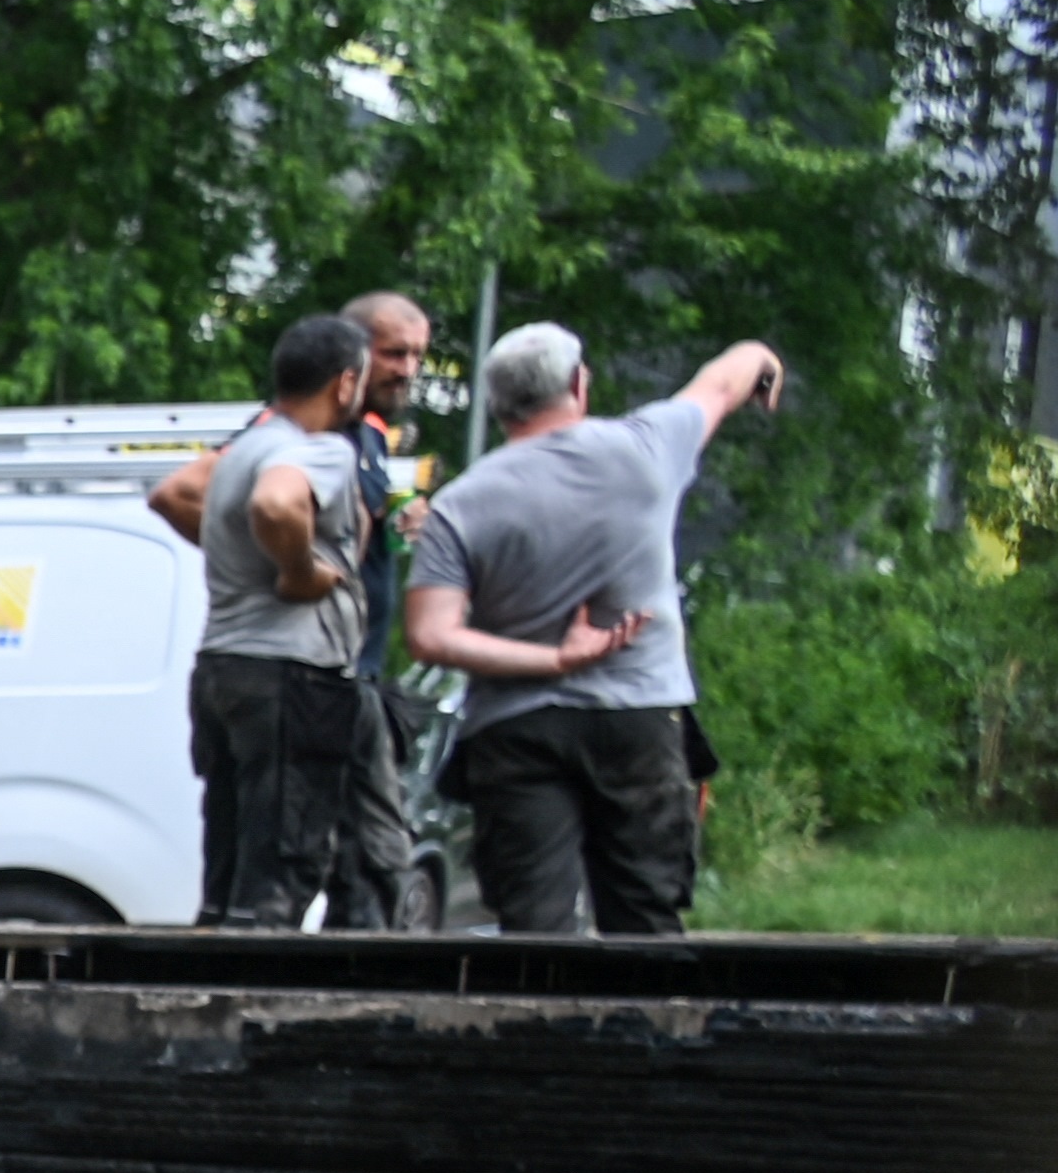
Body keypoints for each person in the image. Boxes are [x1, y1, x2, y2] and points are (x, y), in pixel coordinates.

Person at [408, 318, 780, 935]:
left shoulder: (460, 504)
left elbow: (430, 636)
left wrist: (551, 663)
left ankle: (543, 1030)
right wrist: (760, 355)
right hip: (638, 719)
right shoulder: (647, 447)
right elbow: (721, 383)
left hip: (513, 729)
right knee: (644, 914)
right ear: (579, 385)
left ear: (497, 405)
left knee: (533, 923)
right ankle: (648, 1027)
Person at [155, 289, 436, 924]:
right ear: (350, 371)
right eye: (393, 354)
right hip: (296, 669)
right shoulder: (304, 441)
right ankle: (295, 1008)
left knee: (258, 865)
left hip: (283, 667)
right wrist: (294, 569)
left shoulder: (350, 439)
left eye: (418, 355)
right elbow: (251, 502)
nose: (408, 370)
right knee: (293, 862)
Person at [173, 311, 376, 924]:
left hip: (224, 668)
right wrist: (299, 572)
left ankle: (208, 993)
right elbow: (277, 501)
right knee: (282, 870)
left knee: (231, 863)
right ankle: (255, 1008)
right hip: (290, 675)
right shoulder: (318, 450)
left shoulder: (241, 451)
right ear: (345, 384)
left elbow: (174, 494)